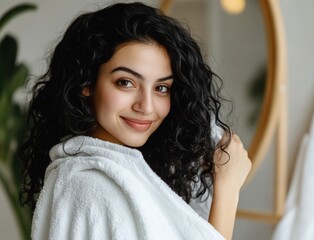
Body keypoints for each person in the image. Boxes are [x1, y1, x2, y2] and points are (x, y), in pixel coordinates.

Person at [20, 2, 251, 240]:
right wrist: (227, 188)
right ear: (86, 83)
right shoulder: (92, 188)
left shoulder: (123, 176)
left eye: (161, 88)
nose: (146, 106)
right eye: (126, 82)